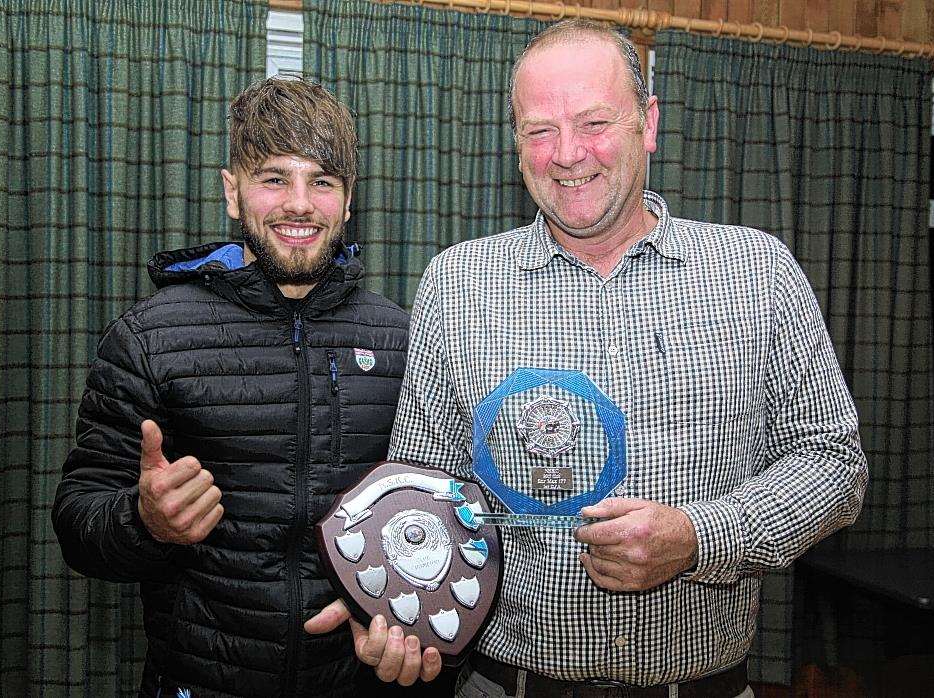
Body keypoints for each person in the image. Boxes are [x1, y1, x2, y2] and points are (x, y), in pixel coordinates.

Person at [309, 19, 868, 697]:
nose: (568, 154)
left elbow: (832, 462)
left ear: (647, 122)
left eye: (594, 122)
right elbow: (424, 495)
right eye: (539, 130)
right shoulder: (457, 286)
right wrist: (395, 607)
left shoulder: (757, 272)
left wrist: (699, 536)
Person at [52, 77, 417, 697]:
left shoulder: (402, 338)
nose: (299, 204)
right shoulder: (149, 338)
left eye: (322, 181)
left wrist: (412, 621)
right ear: (232, 190)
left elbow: (430, 518)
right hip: (196, 680)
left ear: (348, 199)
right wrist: (144, 520)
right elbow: (77, 521)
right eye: (274, 178)